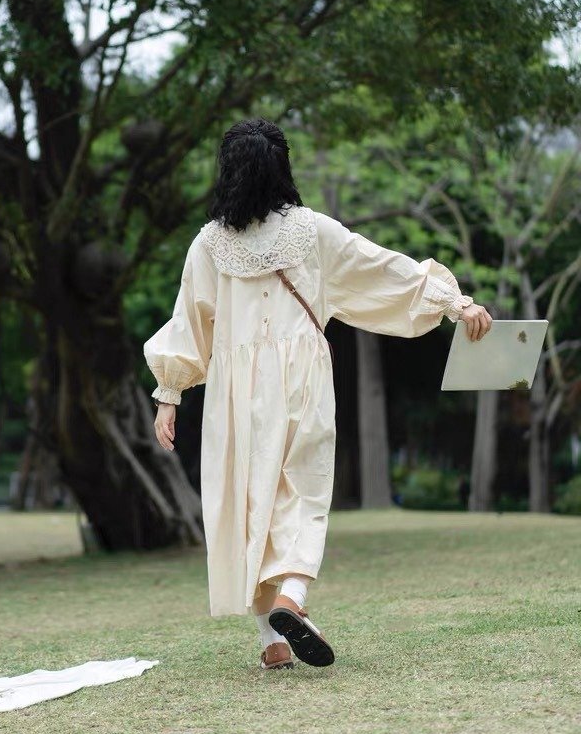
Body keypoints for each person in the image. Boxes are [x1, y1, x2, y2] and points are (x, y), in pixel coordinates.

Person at [143, 119, 492, 672]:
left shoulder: (208, 244)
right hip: (301, 375)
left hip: (234, 391)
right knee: (303, 490)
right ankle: (292, 600)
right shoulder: (310, 231)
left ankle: (271, 637)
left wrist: (169, 394)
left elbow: (190, 320)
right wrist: (456, 302)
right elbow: (384, 269)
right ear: (281, 167)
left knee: (248, 497)